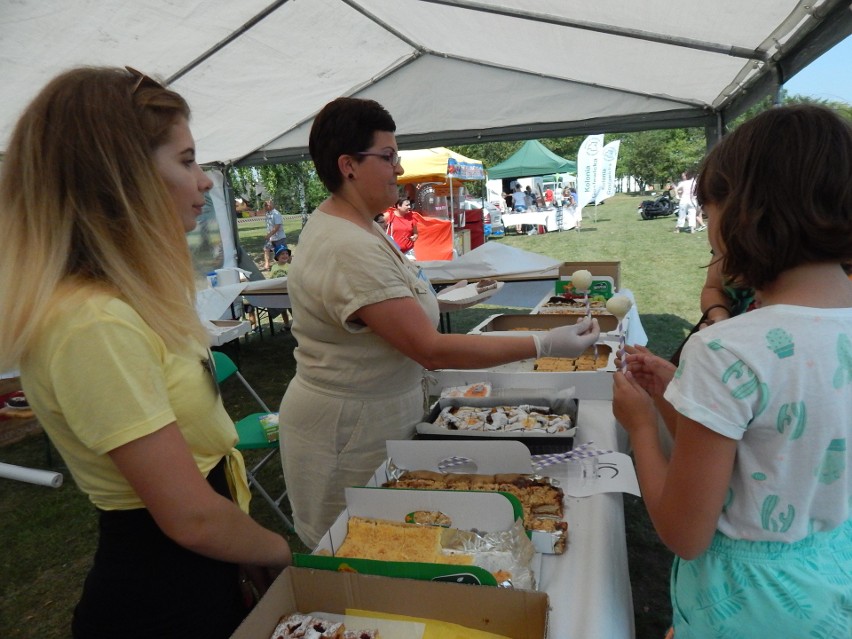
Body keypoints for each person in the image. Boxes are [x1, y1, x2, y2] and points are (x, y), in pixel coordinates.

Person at [0, 67, 292, 639]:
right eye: (185, 161)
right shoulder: (91, 322)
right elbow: (189, 516)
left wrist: (240, 547)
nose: (205, 181)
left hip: (198, 577)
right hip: (162, 601)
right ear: (121, 179)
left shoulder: (118, 301)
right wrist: (283, 551)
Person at [279, 96, 601, 548]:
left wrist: (447, 301)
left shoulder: (363, 225)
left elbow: (390, 309)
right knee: (356, 544)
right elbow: (430, 348)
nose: (399, 169)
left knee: (397, 536)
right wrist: (543, 344)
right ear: (348, 165)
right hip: (348, 433)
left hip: (377, 412)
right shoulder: (345, 245)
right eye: (388, 157)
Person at [612, 104, 852, 638]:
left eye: (711, 208)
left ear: (745, 211)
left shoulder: (726, 349)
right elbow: (764, 456)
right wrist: (678, 396)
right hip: (830, 585)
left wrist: (643, 427)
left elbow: (684, 532)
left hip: (745, 603)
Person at [262, 199, 287, 270]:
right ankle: (267, 265)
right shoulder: (267, 213)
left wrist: (269, 235)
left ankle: (290, 264)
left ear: (272, 205)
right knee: (266, 249)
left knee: (283, 252)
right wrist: (269, 235)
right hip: (270, 238)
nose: (266, 207)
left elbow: (277, 227)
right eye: (265, 205)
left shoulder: (276, 214)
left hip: (279, 238)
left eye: (267, 205)